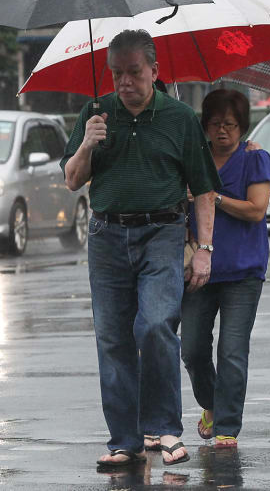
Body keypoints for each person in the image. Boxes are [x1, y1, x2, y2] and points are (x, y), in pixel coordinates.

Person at [61, 29, 220, 468]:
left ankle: (166, 428)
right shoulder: (95, 114)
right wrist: (89, 143)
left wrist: (204, 249)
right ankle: (124, 441)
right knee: (112, 338)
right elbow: (73, 179)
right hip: (106, 235)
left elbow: (205, 188)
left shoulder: (179, 117)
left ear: (154, 70)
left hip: (162, 231)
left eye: (133, 72)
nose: (124, 82)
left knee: (154, 326)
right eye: (116, 74)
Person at [180, 89, 270, 448]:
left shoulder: (255, 159)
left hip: (243, 271)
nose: (223, 131)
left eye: (231, 124)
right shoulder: (191, 159)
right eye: (216, 124)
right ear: (205, 125)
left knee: (232, 350)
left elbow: (256, 209)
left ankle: (227, 428)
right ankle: (212, 405)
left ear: (242, 127)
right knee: (191, 349)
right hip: (198, 273)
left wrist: (212, 197)